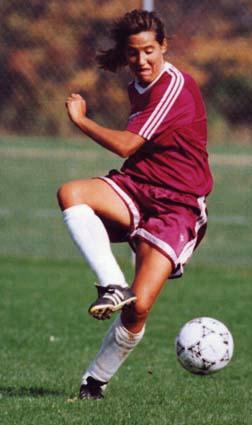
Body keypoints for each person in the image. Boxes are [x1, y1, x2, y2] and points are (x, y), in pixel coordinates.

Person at [57, 9, 213, 400]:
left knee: (138, 308)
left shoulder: (175, 85)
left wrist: (81, 120)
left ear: (165, 47)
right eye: (133, 53)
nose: (141, 61)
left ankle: (94, 383)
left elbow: (128, 145)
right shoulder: (138, 83)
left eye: (149, 51)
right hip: (138, 186)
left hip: (177, 206)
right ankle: (111, 284)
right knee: (71, 193)